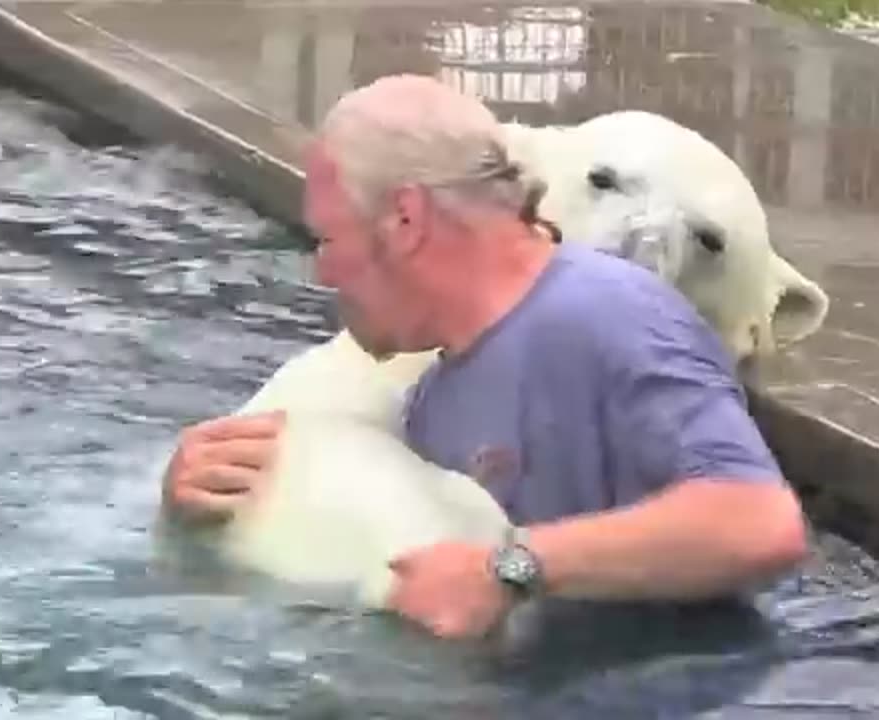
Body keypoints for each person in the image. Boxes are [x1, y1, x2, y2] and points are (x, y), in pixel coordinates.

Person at [160, 74, 808, 640]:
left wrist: (508, 569)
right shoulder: (445, 375)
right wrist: (197, 491)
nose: (321, 271)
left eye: (330, 238)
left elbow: (761, 522)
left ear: (407, 220)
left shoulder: (604, 313)